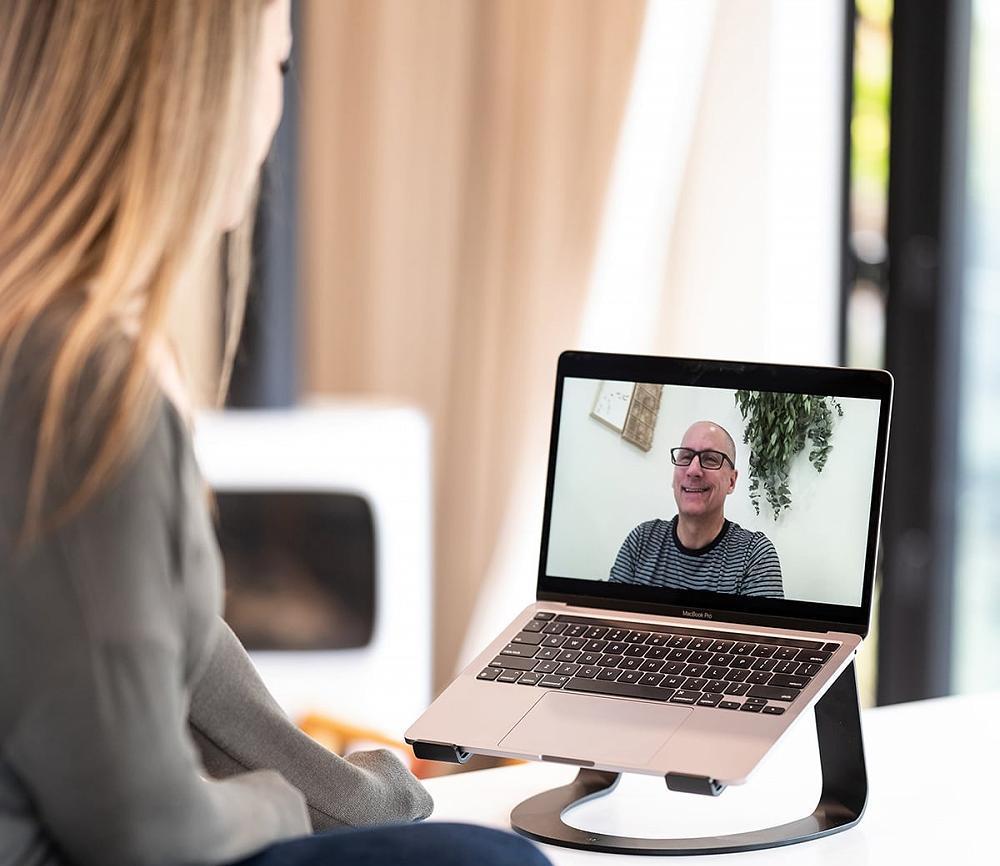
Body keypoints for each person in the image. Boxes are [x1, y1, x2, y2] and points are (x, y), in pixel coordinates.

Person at [0, 3, 549, 865]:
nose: (275, 109)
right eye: (278, 68)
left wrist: (374, 792)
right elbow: (147, 829)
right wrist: (287, 806)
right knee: (497, 862)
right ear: (195, 94)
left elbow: (202, 688)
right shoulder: (76, 386)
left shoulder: (60, 351)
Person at [609, 421, 783, 598]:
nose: (693, 470)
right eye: (685, 457)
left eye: (710, 459)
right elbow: (611, 614)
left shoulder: (755, 555)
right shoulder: (641, 540)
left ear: (731, 481)